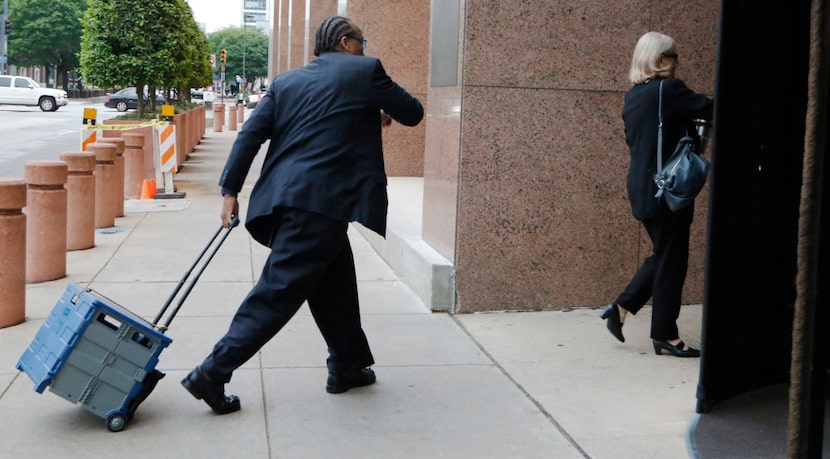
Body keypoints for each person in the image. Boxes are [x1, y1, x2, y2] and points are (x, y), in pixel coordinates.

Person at [181, 15, 424, 414]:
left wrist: (229, 191)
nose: (365, 47)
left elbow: (250, 135)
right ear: (347, 43)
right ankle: (212, 372)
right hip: (318, 205)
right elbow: (412, 112)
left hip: (289, 200)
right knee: (277, 293)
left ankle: (346, 364)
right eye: (362, 41)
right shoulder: (365, 70)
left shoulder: (286, 81)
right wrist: (377, 106)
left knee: (336, 285)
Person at [600, 31, 713, 358]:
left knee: (667, 256)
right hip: (668, 190)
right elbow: (710, 107)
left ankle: (624, 309)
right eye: (675, 56)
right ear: (662, 60)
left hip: (642, 187)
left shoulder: (633, 96)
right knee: (670, 259)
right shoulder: (670, 89)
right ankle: (663, 333)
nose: (678, 63)